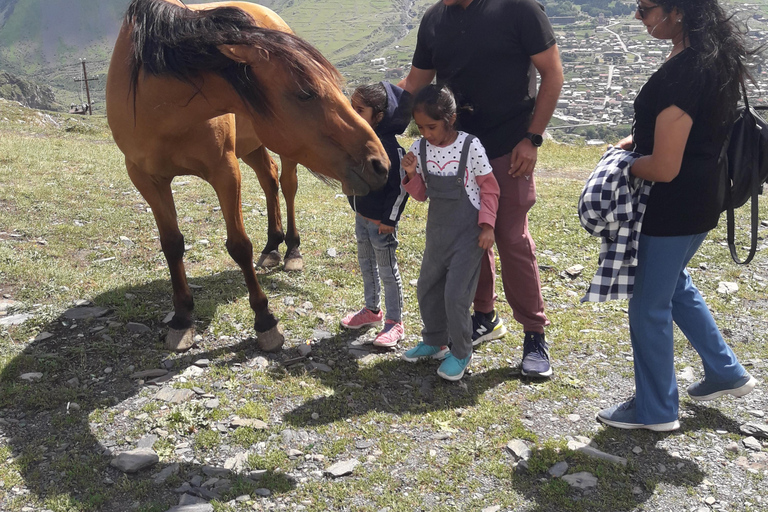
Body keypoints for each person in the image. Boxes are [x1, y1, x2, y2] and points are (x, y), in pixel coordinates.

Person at [596, 0, 757, 431]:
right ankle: (725, 371)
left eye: (646, 8)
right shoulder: (714, 58)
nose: (638, 16)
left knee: (648, 304)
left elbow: (664, 167)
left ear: (679, 11)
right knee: (675, 283)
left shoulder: (681, 74)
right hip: (704, 200)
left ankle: (656, 409)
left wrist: (622, 166)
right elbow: (693, 129)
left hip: (670, 207)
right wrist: (636, 141)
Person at [398, 0, 563, 378]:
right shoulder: (435, 19)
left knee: (509, 237)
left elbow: (552, 74)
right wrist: (369, 113)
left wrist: (532, 138)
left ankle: (534, 334)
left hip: (509, 146)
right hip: (456, 151)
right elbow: (415, 84)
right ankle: (484, 316)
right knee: (469, 236)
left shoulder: (519, 9)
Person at [400, 84, 499, 381]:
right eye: (420, 127)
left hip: (469, 236)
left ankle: (461, 351)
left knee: (456, 295)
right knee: (427, 288)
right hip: (437, 234)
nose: (426, 133)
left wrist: (487, 225)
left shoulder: (471, 147)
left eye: (431, 126)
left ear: (451, 119)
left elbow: (489, 188)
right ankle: (434, 341)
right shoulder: (419, 149)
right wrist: (411, 174)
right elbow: (421, 196)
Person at [340, 82, 411, 348]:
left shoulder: (390, 149)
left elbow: (400, 188)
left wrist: (389, 221)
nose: (352, 114)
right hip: (362, 219)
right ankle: (371, 310)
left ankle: (394, 322)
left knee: (387, 272)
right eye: (351, 107)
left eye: (359, 110)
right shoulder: (357, 143)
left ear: (378, 116)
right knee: (367, 266)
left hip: (381, 225)